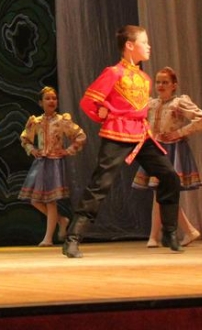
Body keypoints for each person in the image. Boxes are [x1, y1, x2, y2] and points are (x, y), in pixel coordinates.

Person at [63, 25, 182, 258]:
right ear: (129, 45)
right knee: (101, 183)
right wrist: (102, 114)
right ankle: (73, 237)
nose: (148, 46)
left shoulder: (145, 78)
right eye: (144, 42)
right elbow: (89, 101)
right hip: (117, 131)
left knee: (169, 175)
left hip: (141, 133)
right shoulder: (114, 73)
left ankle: (170, 231)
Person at [131, 67, 202, 247]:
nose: (160, 85)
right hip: (155, 148)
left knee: (163, 192)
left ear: (174, 85)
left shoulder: (179, 103)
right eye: (158, 82)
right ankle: (166, 234)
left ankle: (162, 235)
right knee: (161, 193)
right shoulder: (151, 104)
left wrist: (178, 133)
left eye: (165, 82)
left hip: (172, 149)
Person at [19, 86, 86, 246]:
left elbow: (80, 136)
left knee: (50, 201)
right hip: (41, 162)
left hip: (54, 162)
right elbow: (25, 139)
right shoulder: (36, 121)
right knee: (35, 200)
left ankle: (48, 238)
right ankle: (61, 220)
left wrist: (68, 150)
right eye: (47, 98)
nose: (51, 101)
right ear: (40, 102)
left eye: (54, 98)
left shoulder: (62, 120)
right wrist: (32, 150)